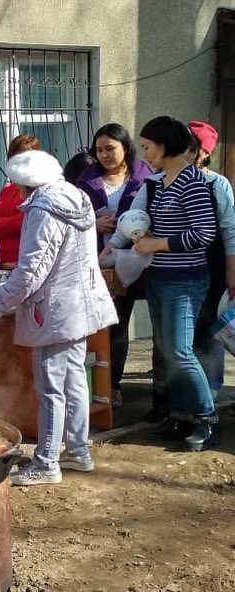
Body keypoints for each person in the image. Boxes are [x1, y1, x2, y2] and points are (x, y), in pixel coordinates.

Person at [0, 150, 117, 485]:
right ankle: (78, 450)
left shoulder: (43, 209)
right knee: (75, 379)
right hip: (80, 304)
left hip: (54, 310)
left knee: (51, 388)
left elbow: (30, 273)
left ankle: (46, 462)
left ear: (25, 185)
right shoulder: (76, 196)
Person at [132, 116, 218, 451]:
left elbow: (204, 233)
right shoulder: (160, 182)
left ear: (166, 145)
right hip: (160, 277)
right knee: (168, 352)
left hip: (185, 280)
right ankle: (182, 415)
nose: (144, 154)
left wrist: (158, 244)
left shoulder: (192, 182)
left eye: (147, 147)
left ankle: (206, 419)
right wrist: (145, 235)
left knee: (182, 351)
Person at [75, 123, 153, 408]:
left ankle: (117, 385)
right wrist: (93, 225)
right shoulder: (85, 181)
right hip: (96, 261)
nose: (104, 155)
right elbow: (72, 220)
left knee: (119, 324)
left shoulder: (146, 177)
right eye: (99, 150)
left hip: (136, 262)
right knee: (100, 325)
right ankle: (100, 385)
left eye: (110, 149)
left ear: (125, 148)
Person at [187, 121, 235, 403]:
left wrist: (231, 271)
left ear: (203, 153)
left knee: (209, 327)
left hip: (214, 266)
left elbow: (230, 230)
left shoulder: (218, 184)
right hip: (181, 267)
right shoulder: (164, 180)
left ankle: (212, 386)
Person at [0, 134, 41, 270]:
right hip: (2, 264)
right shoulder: (7, 191)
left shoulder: (39, 190)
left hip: (25, 264)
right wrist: (13, 223)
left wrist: (3, 224)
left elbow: (30, 221)